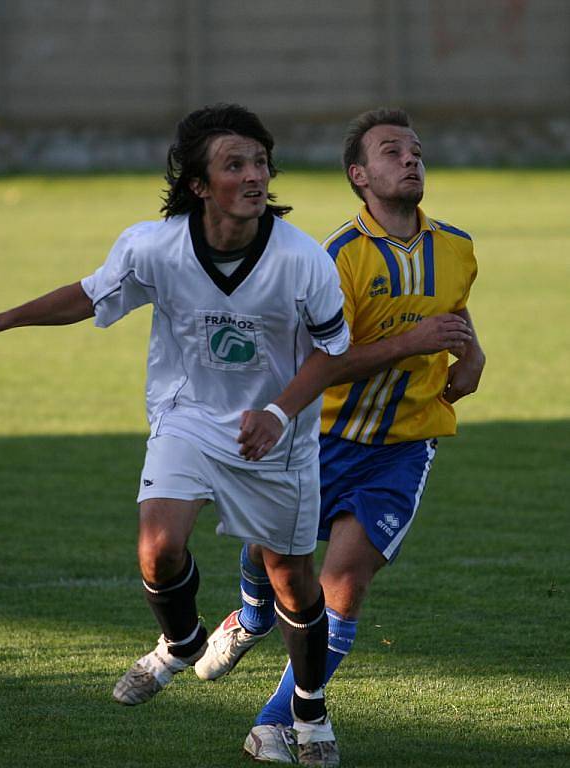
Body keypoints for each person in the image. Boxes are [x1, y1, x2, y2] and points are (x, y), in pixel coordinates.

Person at [0, 104, 358, 765]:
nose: (256, 176)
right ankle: (184, 642)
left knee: (291, 580)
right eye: (235, 165)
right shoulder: (154, 246)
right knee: (158, 549)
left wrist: (278, 414)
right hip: (187, 415)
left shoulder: (302, 260)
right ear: (199, 184)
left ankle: (308, 710)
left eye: (260, 162)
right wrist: (1, 320)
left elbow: (334, 351)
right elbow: (89, 294)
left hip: (277, 434)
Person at [193, 107, 485, 765]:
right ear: (359, 175)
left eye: (415, 150)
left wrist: (471, 354)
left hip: (405, 446)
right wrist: (410, 341)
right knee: (270, 556)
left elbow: (454, 308)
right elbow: (317, 364)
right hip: (318, 439)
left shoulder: (457, 246)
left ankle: (278, 723)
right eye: (390, 152)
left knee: (342, 582)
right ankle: (254, 617)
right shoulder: (335, 260)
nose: (410, 159)